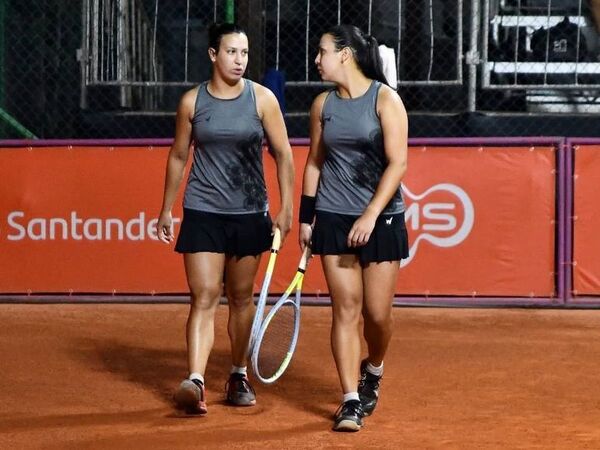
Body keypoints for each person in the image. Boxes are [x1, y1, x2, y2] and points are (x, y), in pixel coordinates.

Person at [157, 22, 294, 415]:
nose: (239, 60)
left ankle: (237, 374)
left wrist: (285, 210)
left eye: (244, 53)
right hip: (202, 211)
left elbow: (283, 154)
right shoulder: (192, 102)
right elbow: (179, 156)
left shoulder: (262, 99)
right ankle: (195, 380)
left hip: (250, 213)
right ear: (214, 55)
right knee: (202, 296)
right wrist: (167, 208)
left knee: (240, 298)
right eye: (232, 52)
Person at [299, 24, 409, 432]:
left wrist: (370, 216)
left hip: (382, 218)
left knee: (377, 315)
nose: (316, 59)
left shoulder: (386, 100)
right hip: (332, 215)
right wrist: (306, 219)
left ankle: (374, 368)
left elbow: (398, 163)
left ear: (345, 55)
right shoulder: (322, 105)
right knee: (345, 309)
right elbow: (314, 161)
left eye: (322, 51)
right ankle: (349, 399)